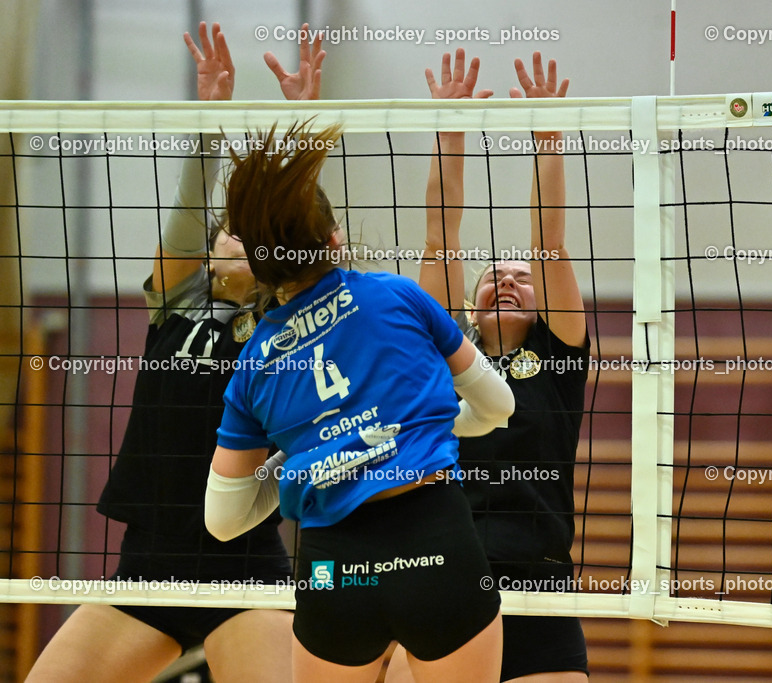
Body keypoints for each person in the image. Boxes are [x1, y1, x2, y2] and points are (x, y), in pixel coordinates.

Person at [26, 22, 325, 683]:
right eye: (227, 232)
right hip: (147, 565)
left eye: (256, 235)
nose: (235, 239)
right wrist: (209, 118)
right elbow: (189, 213)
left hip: (242, 571)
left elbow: (301, 231)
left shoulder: (288, 320)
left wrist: (303, 124)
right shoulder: (176, 302)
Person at [204, 119, 514, 682]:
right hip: (436, 546)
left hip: (332, 570)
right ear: (334, 239)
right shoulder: (398, 296)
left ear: (260, 264)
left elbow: (224, 521)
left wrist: (307, 453)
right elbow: (498, 407)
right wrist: (411, 426)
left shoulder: (255, 361)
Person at [388, 49, 590, 683]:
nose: (506, 277)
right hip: (443, 582)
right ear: (466, 313)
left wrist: (547, 138)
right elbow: (439, 241)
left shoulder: (557, 360)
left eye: (521, 278)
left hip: (541, 592)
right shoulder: (443, 356)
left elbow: (548, 243)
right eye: (492, 276)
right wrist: (451, 130)